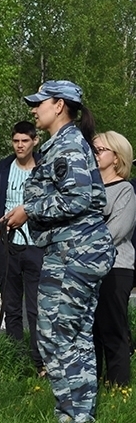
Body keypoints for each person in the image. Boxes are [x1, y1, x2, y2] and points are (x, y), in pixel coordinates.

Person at [5, 80, 114, 423]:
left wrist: (29, 209)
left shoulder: (68, 147)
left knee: (56, 332)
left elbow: (79, 198)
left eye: (40, 103)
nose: (34, 109)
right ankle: (77, 416)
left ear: (59, 105)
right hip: (75, 250)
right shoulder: (63, 145)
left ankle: (74, 417)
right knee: (73, 333)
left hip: (74, 252)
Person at [0, 121, 44, 371]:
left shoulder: (44, 168)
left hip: (37, 245)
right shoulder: (1, 169)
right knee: (10, 305)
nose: (20, 146)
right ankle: (16, 360)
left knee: (36, 307)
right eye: (16, 141)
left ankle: (39, 360)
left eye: (25, 141)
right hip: (7, 246)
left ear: (35, 141)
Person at [91, 131, 135, 386]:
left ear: (116, 157)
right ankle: (93, 383)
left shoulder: (125, 190)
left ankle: (119, 386)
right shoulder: (89, 189)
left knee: (113, 328)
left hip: (116, 267)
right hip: (89, 269)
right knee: (92, 330)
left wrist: (85, 242)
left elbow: (117, 231)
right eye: (94, 150)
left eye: (100, 150)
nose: (95, 154)